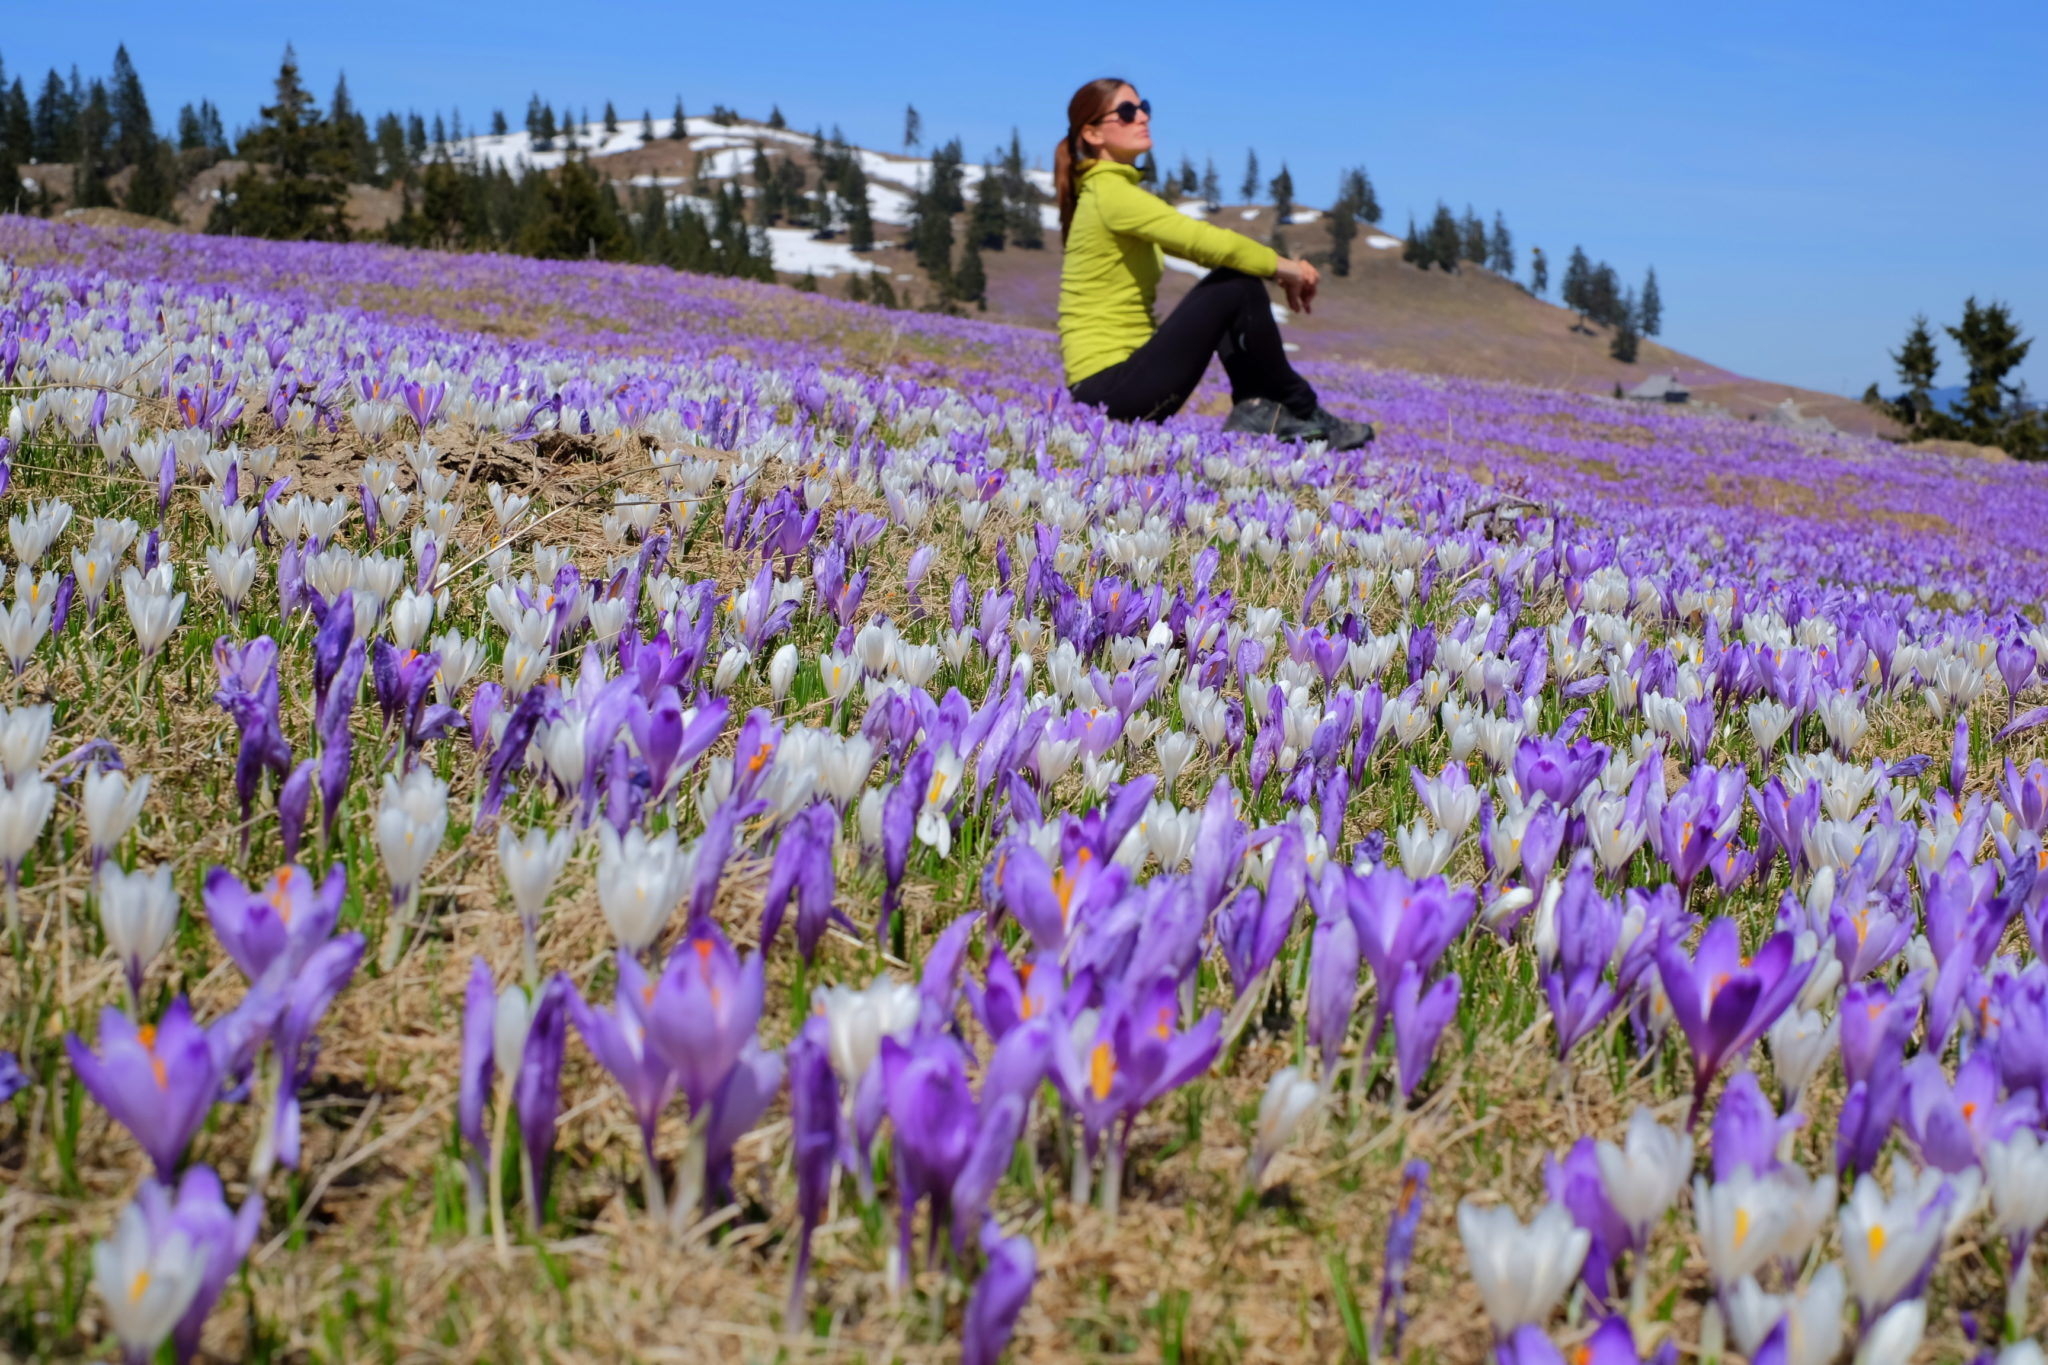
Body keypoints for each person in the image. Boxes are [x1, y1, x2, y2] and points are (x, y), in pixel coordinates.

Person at [1054, 77, 1372, 449]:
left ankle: (1264, 408)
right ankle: (1298, 408)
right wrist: (1288, 269)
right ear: (1092, 133)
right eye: (1127, 111)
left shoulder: (1109, 193)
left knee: (1235, 287)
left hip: (1115, 390)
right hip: (1110, 393)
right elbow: (1208, 243)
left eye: (1144, 108)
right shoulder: (1110, 194)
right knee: (1236, 283)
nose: (1142, 117)